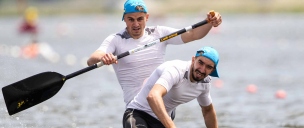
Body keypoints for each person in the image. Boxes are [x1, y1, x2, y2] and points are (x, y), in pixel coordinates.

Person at [87, 0, 222, 107]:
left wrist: (210, 22)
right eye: (131, 19)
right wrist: (104, 57)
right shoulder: (116, 40)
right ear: (124, 19)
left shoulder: (159, 33)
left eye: (140, 19)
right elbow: (92, 59)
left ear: (147, 17)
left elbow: (192, 34)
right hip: (136, 107)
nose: (136, 24)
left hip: (161, 104)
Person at [122, 46, 228, 128]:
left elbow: (208, 111)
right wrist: (171, 127)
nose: (202, 70)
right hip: (137, 115)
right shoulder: (176, 70)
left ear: (212, 70)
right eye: (200, 63)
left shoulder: (205, 84)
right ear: (193, 60)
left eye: (208, 67)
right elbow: (153, 96)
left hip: (162, 123)